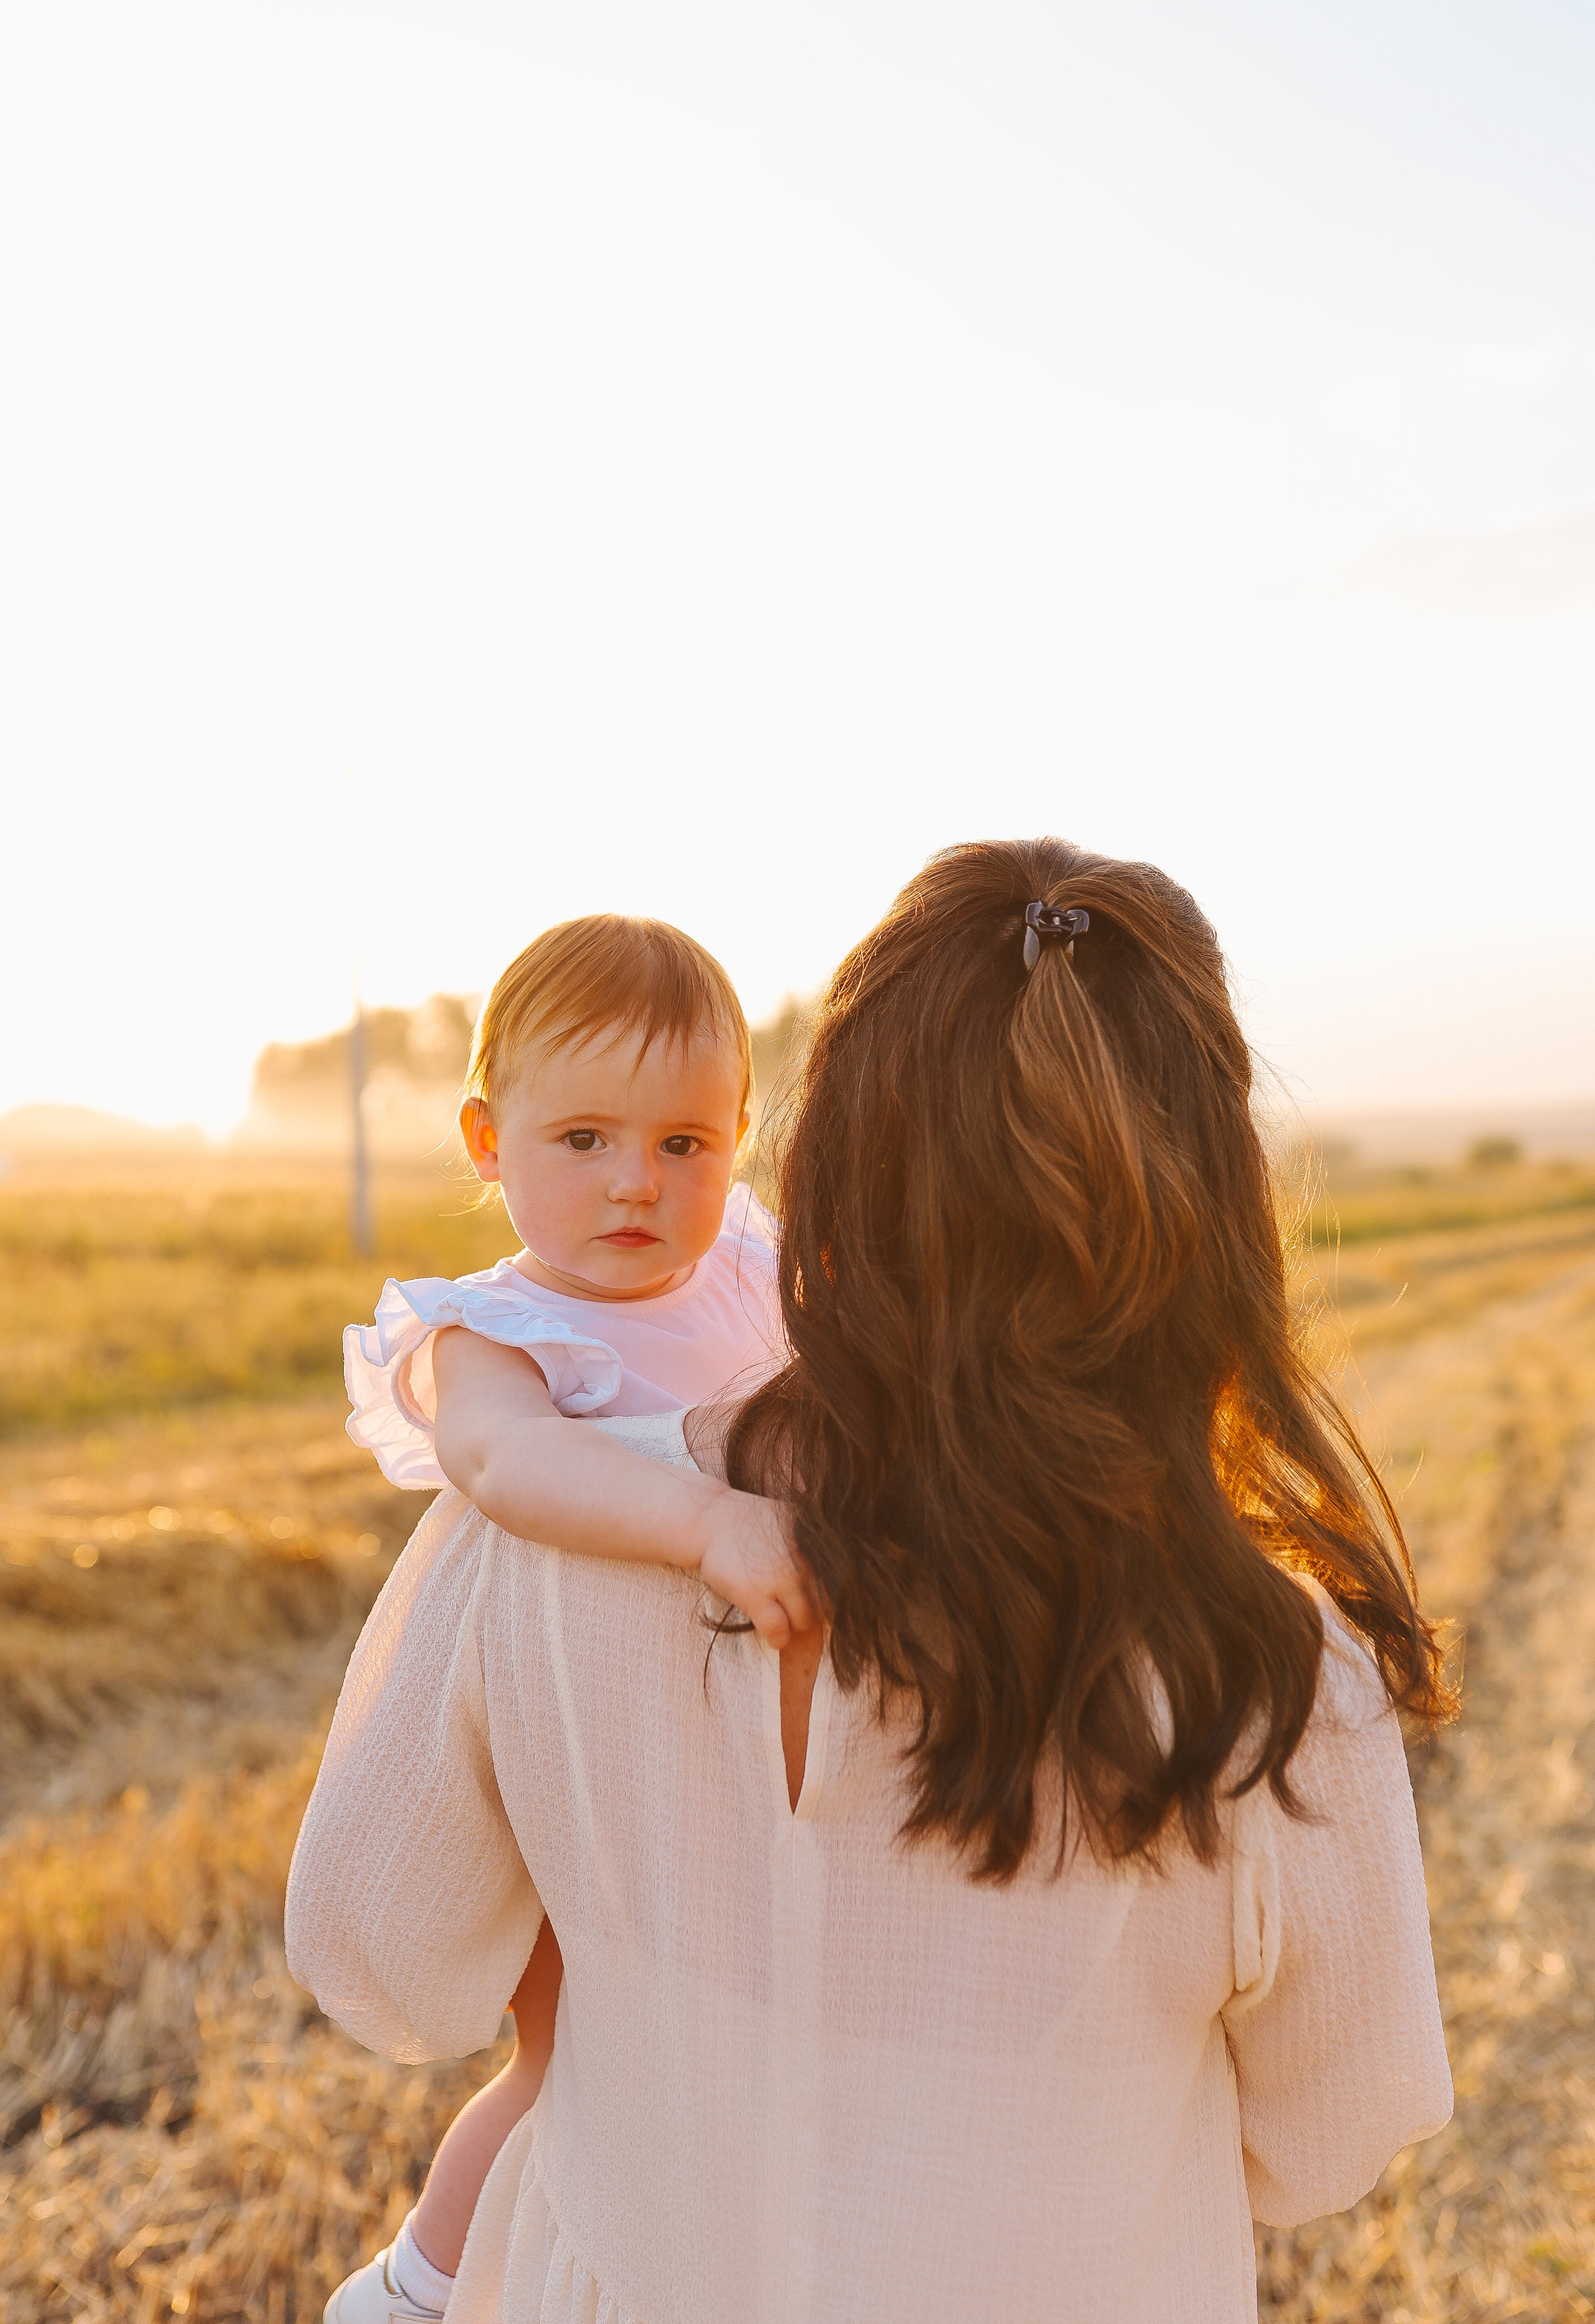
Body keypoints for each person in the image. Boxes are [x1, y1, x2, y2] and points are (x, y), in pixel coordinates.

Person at [288, 838, 1454, 2324]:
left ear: (815, 1154)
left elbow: (386, 1967)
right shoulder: (1265, 1668)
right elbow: (1325, 2139)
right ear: (1205, 1211)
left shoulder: (557, 1521)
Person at [324, 912, 812, 2323]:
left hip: (728, 1750)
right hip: (576, 1763)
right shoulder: (495, 1334)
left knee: (734, 2055)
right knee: (580, 2062)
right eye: (582, 1139)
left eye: (683, 1145)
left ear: (736, 1136)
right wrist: (707, 1518)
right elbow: (504, 1465)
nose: (636, 1185)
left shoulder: (744, 1271)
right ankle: (419, 2285)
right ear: (488, 1138)